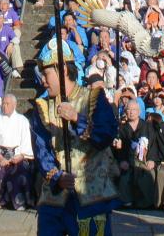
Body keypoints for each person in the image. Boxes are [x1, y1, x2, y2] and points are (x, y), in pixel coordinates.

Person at [28, 56, 119, 236]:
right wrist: (57, 177)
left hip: (92, 195)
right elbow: (41, 149)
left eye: (46, 74)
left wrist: (78, 119)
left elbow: (106, 135)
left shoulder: (93, 98)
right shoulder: (42, 107)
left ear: (63, 70)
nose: (43, 81)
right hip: (55, 198)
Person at [0, 92, 35, 210]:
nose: (4, 106)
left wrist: (20, 157)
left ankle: (20, 202)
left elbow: (26, 142)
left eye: (7, 104)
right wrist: (1, 158)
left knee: (21, 168)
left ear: (14, 105)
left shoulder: (22, 121)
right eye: (3, 104)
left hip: (17, 155)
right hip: (0, 154)